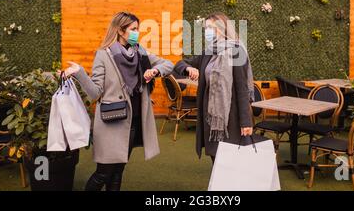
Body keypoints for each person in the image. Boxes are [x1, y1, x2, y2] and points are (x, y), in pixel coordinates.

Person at [65, 12, 174, 191]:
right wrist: (80, 72)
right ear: (120, 30)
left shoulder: (140, 52)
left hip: (133, 122)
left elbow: (168, 64)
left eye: (137, 29)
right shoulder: (103, 55)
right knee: (103, 173)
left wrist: (154, 71)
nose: (136, 33)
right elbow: (95, 93)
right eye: (133, 29)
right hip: (112, 121)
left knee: (118, 172)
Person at [174, 12, 254, 163]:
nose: (207, 32)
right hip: (210, 116)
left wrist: (246, 122)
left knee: (230, 163)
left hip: (231, 119)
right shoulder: (208, 52)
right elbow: (180, 64)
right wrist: (188, 69)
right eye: (206, 28)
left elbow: (242, 89)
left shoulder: (236, 51)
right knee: (215, 160)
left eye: (211, 28)